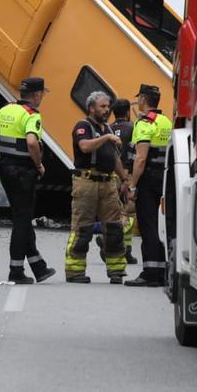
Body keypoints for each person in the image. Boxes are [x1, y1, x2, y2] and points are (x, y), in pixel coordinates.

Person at [0, 77, 57, 284]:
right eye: (42, 94)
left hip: (5, 170)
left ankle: (39, 267)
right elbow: (32, 142)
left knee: (21, 217)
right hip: (24, 173)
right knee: (22, 221)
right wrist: (39, 164)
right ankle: (16, 271)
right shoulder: (32, 115)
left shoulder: (7, 110)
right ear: (37, 95)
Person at [64, 91, 128, 284]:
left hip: (108, 184)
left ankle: (116, 271)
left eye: (108, 107)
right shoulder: (82, 126)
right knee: (83, 228)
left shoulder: (107, 127)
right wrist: (107, 137)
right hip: (87, 183)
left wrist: (124, 180)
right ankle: (75, 272)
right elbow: (84, 147)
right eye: (102, 106)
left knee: (114, 228)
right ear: (91, 108)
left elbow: (114, 158)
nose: (107, 110)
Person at [124, 83, 172, 288]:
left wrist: (132, 185)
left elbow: (141, 158)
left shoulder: (144, 123)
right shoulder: (166, 121)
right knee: (161, 226)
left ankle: (150, 273)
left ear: (143, 99)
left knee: (148, 226)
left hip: (147, 181)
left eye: (139, 98)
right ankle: (161, 271)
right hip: (164, 179)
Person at [102, 98, 138, 264]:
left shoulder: (108, 128)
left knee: (112, 211)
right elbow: (135, 152)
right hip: (126, 174)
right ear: (127, 112)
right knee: (129, 212)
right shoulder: (133, 127)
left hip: (110, 173)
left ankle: (126, 250)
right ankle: (109, 243)